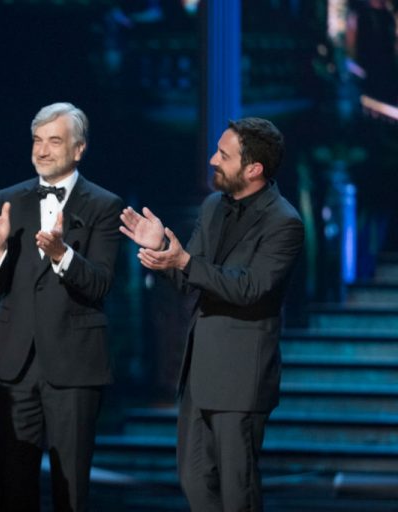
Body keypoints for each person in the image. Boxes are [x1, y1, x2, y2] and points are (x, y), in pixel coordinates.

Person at [120, 117, 304, 511]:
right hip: (200, 372)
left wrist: (184, 261)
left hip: (241, 377)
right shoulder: (212, 206)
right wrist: (163, 252)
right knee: (195, 481)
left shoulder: (284, 222)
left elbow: (249, 287)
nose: (212, 160)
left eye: (224, 155)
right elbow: (191, 280)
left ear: (253, 169)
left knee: (237, 491)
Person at [0, 102, 123, 511]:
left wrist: (62, 255)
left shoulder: (104, 205)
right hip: (15, 363)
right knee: (13, 484)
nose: (41, 150)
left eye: (54, 141)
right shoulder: (10, 199)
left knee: (70, 487)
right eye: (37, 141)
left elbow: (101, 283)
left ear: (79, 149)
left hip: (74, 363)